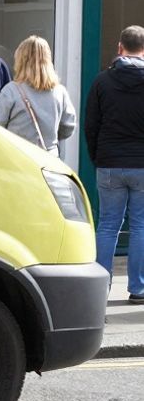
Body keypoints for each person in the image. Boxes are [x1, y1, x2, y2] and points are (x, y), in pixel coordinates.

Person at [85, 25, 144, 305]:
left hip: (109, 161)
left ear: (120, 47)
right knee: (141, 225)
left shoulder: (102, 81)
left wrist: (98, 156)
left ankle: (100, 288)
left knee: (108, 225)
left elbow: (91, 124)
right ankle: (138, 288)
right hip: (141, 164)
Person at [0, 35, 77, 158]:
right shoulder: (60, 92)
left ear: (21, 60)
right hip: (49, 159)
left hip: (17, 158)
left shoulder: (11, 91)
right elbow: (68, 127)